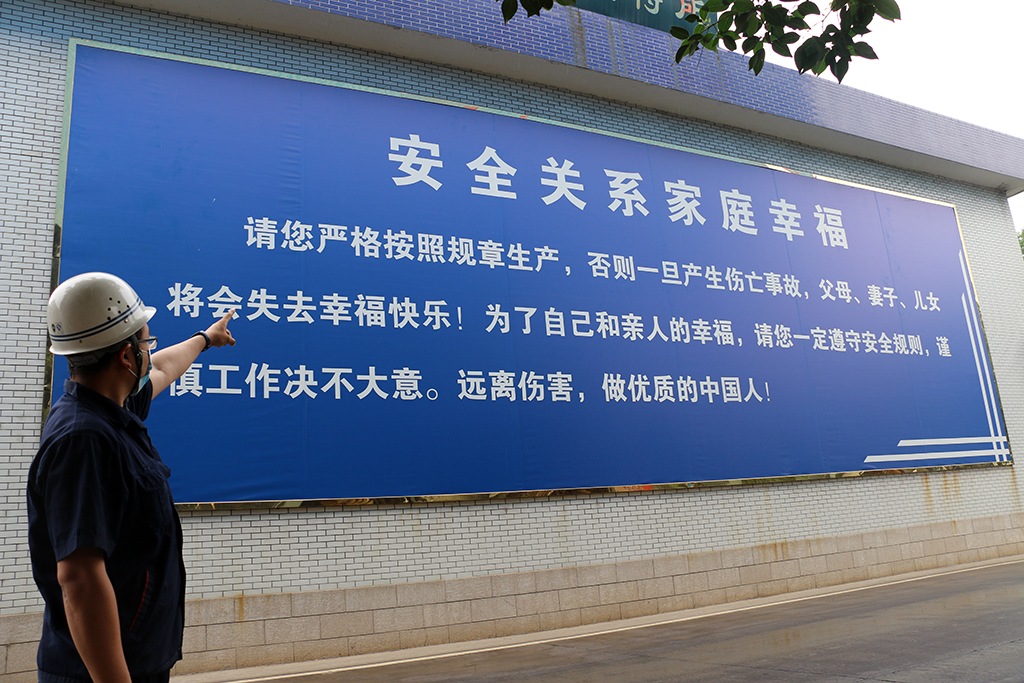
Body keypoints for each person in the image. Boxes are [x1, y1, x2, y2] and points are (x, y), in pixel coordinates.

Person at [27, 272, 236, 683]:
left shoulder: (109, 410)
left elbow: (163, 369)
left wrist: (205, 339)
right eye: (146, 342)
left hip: (134, 661)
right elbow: (80, 579)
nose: (150, 352)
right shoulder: (84, 439)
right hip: (102, 672)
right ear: (126, 356)